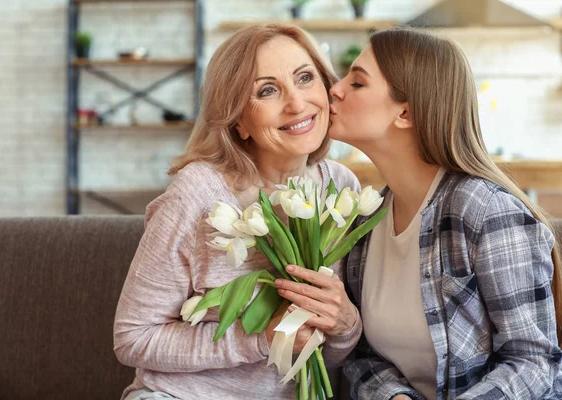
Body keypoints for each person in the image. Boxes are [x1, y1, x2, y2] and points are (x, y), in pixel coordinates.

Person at [274, 27, 562, 399]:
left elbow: (533, 362)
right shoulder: (366, 219)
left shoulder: (482, 210)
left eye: (357, 83)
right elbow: (364, 355)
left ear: (406, 113)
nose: (334, 88)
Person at [113, 23, 363, 400]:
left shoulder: (341, 188)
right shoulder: (197, 194)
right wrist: (260, 339)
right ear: (238, 121)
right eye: (267, 90)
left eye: (305, 78)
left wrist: (346, 326)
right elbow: (133, 338)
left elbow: (327, 358)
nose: (297, 103)